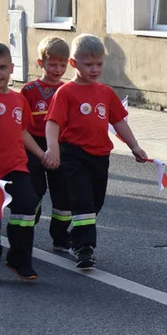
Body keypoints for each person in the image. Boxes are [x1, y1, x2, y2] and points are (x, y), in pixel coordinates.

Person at [43, 34, 148, 271]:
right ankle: (84, 248)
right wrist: (53, 148)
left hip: (100, 156)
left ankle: (74, 236)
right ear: (74, 64)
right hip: (73, 154)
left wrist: (135, 146)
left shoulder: (105, 93)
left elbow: (120, 122)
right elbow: (53, 123)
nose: (94, 69)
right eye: (88, 64)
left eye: (98, 64)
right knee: (83, 202)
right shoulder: (66, 92)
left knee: (95, 203)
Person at [22, 37, 72, 251]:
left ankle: (60, 237)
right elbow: (22, 125)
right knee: (35, 190)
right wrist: (41, 152)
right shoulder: (29, 90)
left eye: (62, 64)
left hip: (59, 146)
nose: (58, 69)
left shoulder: (68, 90)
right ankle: (26, 230)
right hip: (33, 145)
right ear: (40, 63)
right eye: (52, 64)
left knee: (64, 194)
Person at [0, 43, 45, 281]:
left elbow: (23, 132)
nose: (0, 74)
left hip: (15, 165)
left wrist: (40, 154)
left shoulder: (18, 100)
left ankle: (19, 261)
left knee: (27, 206)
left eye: (3, 68)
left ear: (11, 68)